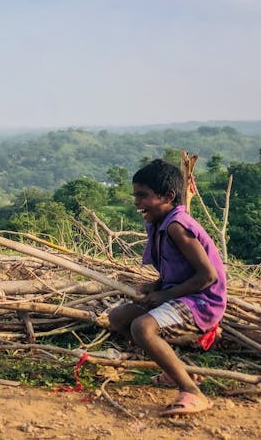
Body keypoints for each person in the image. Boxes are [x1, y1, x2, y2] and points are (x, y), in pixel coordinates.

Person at [108, 159, 226, 416]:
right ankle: (176, 371)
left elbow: (207, 276)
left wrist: (164, 295)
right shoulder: (161, 223)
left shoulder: (176, 226)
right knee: (118, 318)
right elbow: (177, 269)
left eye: (143, 196)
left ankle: (192, 392)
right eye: (135, 195)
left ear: (168, 196)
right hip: (182, 295)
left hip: (202, 302)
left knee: (143, 327)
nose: (137, 202)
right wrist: (156, 285)